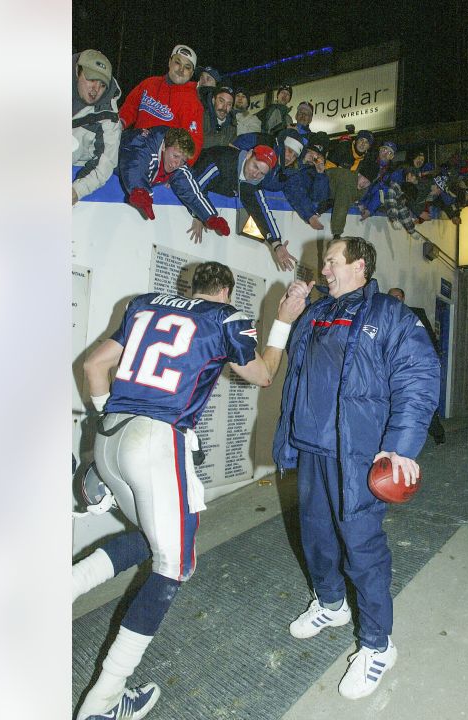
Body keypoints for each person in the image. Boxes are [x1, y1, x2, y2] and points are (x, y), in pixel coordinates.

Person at [72, 262, 310, 720]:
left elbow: (93, 366)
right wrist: (283, 321)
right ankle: (102, 702)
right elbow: (263, 375)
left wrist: (111, 419)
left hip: (110, 438)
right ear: (225, 290)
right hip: (157, 440)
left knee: (152, 538)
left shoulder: (142, 305)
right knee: (175, 564)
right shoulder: (224, 317)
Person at [273, 237, 440, 700]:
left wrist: (402, 446)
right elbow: (293, 365)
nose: (323, 269)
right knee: (316, 537)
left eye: (331, 261)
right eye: (324, 262)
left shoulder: (390, 315)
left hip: (357, 455)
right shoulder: (318, 312)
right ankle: (330, 604)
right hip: (311, 448)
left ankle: (377, 645)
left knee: (361, 549)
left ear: (360, 264)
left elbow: (419, 375)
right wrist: (287, 316)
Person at [191, 144, 297, 271]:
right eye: (255, 166)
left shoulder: (253, 184)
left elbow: (262, 211)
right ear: (248, 154)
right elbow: (196, 187)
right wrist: (198, 215)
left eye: (262, 173)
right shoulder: (222, 161)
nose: (255, 174)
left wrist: (277, 245)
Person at [116, 126, 230, 239]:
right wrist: (140, 190)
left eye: (183, 160)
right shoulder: (146, 144)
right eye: (175, 156)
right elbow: (135, 162)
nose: (176, 164)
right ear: (164, 146)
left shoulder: (179, 166)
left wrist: (211, 217)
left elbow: (192, 193)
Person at [119, 44, 206, 163]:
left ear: (191, 73)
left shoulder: (192, 103)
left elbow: (194, 143)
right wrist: (119, 125)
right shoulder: (149, 84)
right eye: (177, 63)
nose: (181, 70)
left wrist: (175, 168)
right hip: (133, 147)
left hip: (160, 162)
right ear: (169, 62)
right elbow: (130, 107)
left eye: (187, 67)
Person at [386, 287, 446, 445]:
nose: (395, 300)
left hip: (414, 365)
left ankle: (438, 433)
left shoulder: (416, 313)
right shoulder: (384, 316)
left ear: (403, 298)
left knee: (419, 401)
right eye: (392, 297)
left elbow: (430, 339)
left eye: (398, 296)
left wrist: (433, 361)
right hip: (391, 368)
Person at [73, 50, 123, 204]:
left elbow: (106, 162)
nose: (95, 89)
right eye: (91, 79)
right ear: (77, 71)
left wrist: (77, 190)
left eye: (102, 85)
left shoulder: (109, 117)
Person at [200, 86, 236, 150]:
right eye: (221, 101)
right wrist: (223, 141)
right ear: (213, 100)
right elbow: (195, 140)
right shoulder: (201, 116)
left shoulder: (232, 126)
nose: (224, 108)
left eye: (229, 104)